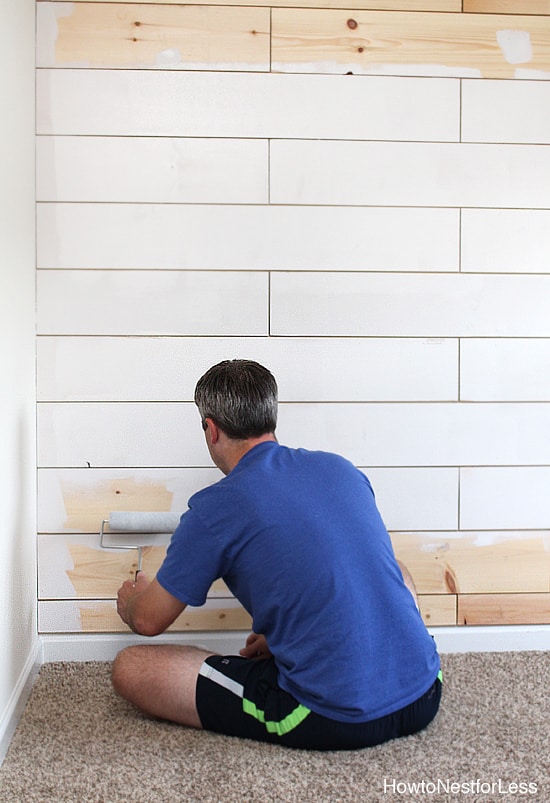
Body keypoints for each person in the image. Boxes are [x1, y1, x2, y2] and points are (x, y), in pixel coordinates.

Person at [112, 359, 441, 750]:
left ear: (211, 429)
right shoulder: (341, 469)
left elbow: (149, 621)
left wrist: (132, 602)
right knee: (396, 569)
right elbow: (333, 569)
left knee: (130, 668)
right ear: (271, 417)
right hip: (425, 693)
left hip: (332, 714)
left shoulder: (214, 509)